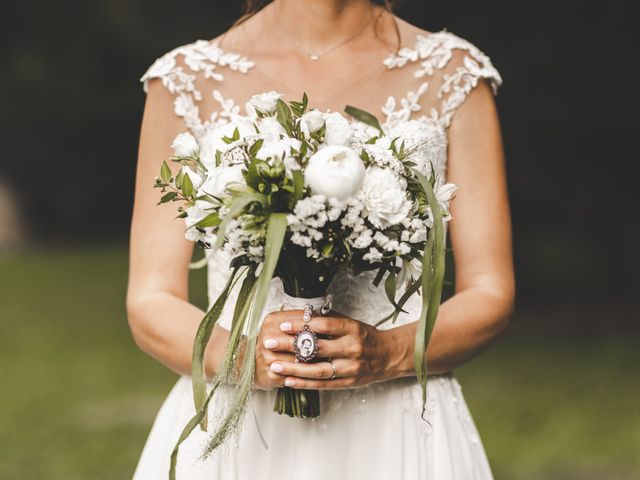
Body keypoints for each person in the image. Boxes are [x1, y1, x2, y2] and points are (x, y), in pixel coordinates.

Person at [127, 0, 514, 478]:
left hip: (397, 429)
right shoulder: (185, 79)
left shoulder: (453, 73)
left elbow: (491, 291)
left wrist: (387, 353)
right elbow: (149, 301)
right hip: (239, 431)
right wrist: (247, 359)